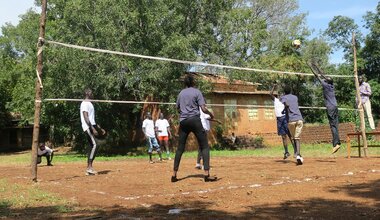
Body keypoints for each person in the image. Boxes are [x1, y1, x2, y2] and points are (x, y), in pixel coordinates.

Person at [172, 74, 217, 182]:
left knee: (180, 149)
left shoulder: (181, 93)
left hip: (183, 122)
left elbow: (177, 108)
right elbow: (203, 108)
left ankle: (174, 175)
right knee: (204, 146)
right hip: (195, 121)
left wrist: (184, 112)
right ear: (193, 82)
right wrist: (211, 115)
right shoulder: (197, 92)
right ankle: (207, 175)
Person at [309, 62, 341, 154]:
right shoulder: (331, 85)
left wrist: (311, 66)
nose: (325, 78)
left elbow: (317, 76)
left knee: (333, 126)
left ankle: (336, 144)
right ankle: (337, 143)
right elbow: (323, 74)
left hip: (330, 108)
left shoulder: (325, 85)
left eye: (326, 79)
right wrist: (317, 65)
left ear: (327, 81)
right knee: (335, 125)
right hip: (335, 106)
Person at [80, 89, 106, 175]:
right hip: (87, 127)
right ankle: (89, 167)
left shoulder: (90, 104)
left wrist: (99, 128)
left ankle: (89, 168)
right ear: (87, 94)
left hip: (91, 126)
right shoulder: (84, 103)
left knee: (93, 146)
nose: (92, 94)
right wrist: (92, 128)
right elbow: (86, 117)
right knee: (95, 144)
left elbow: (92, 119)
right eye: (91, 92)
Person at [270, 84, 296, 159]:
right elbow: (270, 94)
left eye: (282, 94)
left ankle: (296, 151)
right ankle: (286, 152)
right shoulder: (276, 100)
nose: (281, 95)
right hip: (279, 120)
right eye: (279, 94)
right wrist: (274, 87)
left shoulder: (285, 100)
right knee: (283, 137)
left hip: (285, 118)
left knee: (290, 135)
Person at [280, 85, 304, 165]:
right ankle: (298, 155)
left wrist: (285, 106)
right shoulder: (295, 97)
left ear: (284, 92)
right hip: (299, 119)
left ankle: (297, 154)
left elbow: (283, 102)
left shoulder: (283, 98)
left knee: (294, 138)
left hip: (291, 120)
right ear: (290, 91)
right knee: (297, 138)